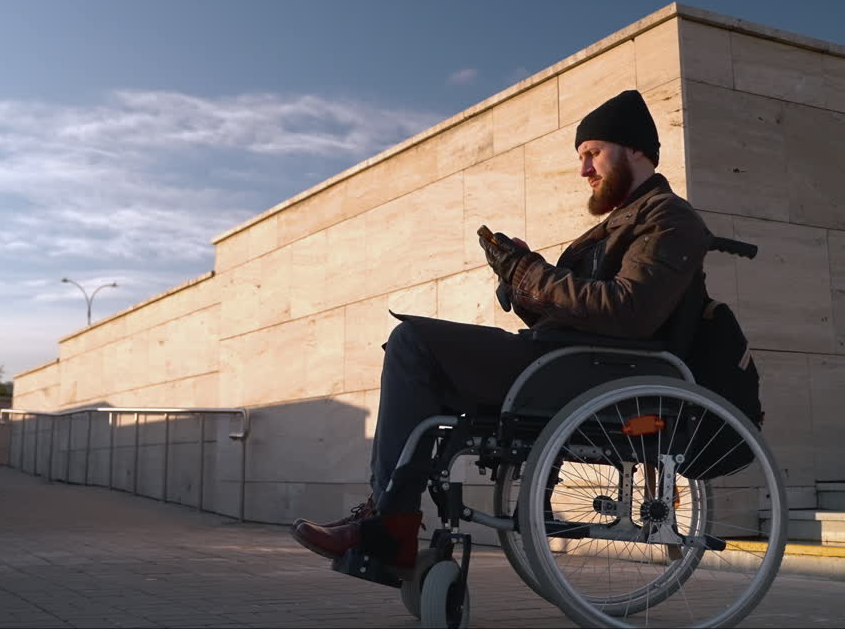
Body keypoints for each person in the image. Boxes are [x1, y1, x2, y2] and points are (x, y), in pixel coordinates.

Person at [290, 89, 713, 571]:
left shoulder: (669, 217)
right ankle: (390, 516)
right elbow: (580, 315)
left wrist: (527, 273)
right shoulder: (619, 225)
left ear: (634, 149)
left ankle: (390, 525)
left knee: (414, 343)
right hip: (571, 365)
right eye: (582, 157)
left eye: (593, 153)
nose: (584, 170)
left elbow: (629, 311)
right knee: (419, 362)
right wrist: (519, 278)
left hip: (600, 377)